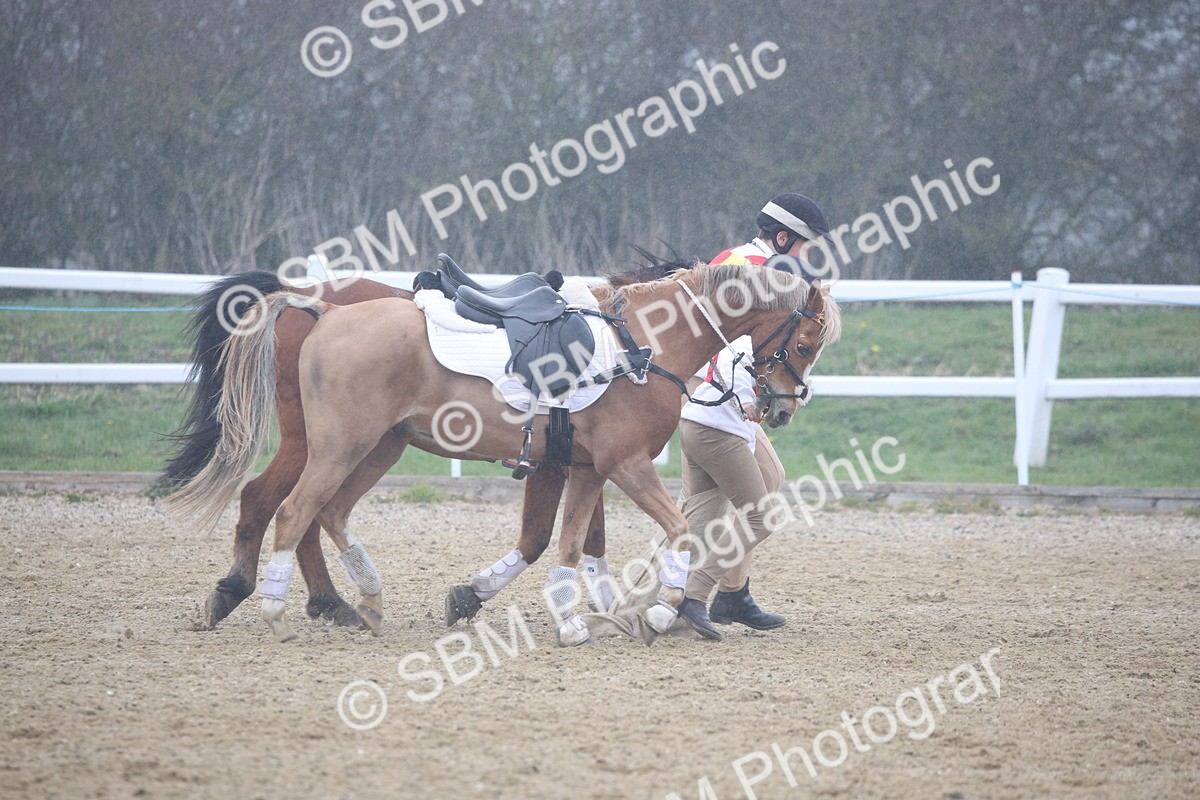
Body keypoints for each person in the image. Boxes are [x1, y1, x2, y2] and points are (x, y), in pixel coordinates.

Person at [674, 192, 834, 640]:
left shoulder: (764, 269)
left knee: (768, 479)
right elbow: (713, 336)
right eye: (806, 246)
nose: (810, 258)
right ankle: (682, 599)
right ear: (783, 238)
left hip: (729, 401)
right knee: (712, 511)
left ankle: (730, 594)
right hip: (713, 402)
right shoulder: (750, 270)